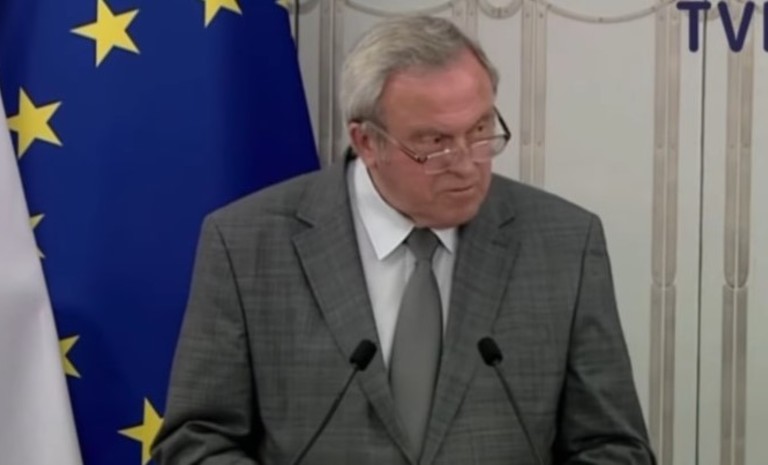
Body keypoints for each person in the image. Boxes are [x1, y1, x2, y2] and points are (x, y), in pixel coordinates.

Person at [152, 15, 655, 465]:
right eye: (435, 143)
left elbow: (613, 447)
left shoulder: (564, 243)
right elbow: (195, 442)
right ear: (367, 141)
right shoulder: (247, 244)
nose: (467, 164)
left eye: (481, 130)